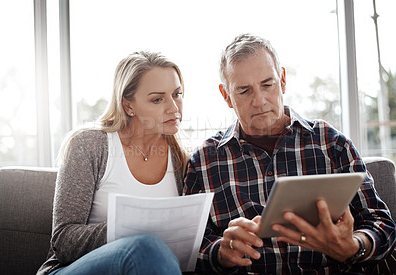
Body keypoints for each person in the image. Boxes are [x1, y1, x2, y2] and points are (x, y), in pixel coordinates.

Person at [183, 34, 396, 274]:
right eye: (244, 91)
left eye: (267, 84)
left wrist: (353, 246)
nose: (260, 100)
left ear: (282, 80)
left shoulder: (331, 143)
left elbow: (382, 225)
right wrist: (220, 253)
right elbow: (188, 250)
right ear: (226, 96)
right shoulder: (205, 161)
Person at [37, 51, 189, 275]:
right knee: (146, 247)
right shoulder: (89, 145)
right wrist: (128, 228)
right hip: (71, 269)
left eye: (177, 94)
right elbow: (63, 241)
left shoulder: (183, 158)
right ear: (128, 106)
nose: (174, 108)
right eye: (157, 99)